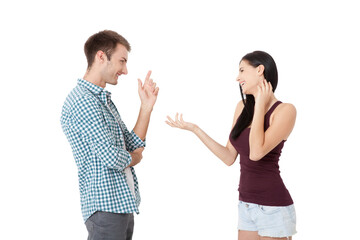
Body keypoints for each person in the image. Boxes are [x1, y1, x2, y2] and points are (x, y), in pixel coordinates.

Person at [166, 51, 296, 240]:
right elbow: (228, 157)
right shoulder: (242, 108)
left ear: (260, 70)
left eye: (242, 70)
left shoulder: (285, 110)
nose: (238, 77)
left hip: (273, 207)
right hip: (246, 204)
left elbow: (257, 153)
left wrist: (260, 105)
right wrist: (195, 129)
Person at [60, 30, 159, 240]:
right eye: (122, 61)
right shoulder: (83, 101)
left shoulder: (101, 100)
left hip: (120, 204)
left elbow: (131, 143)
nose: (125, 70)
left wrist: (146, 108)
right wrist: (136, 158)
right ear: (101, 56)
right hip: (105, 210)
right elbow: (113, 157)